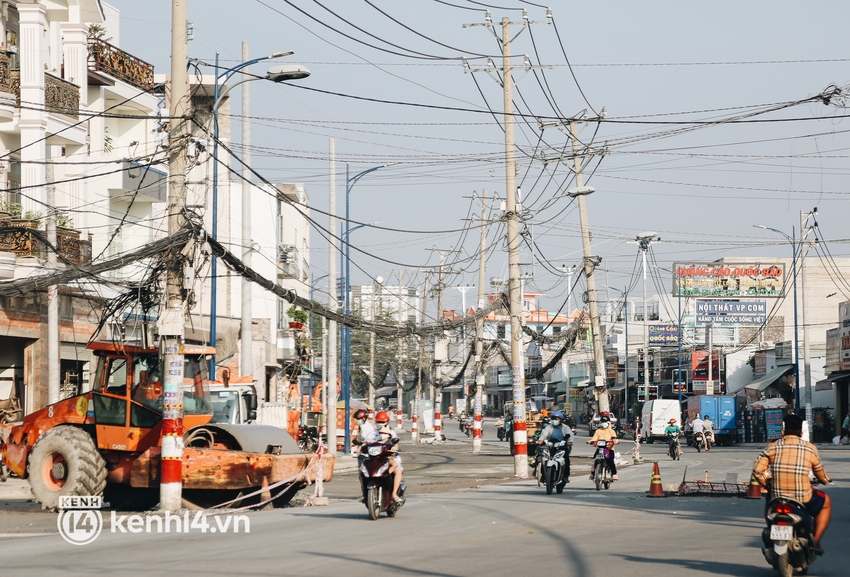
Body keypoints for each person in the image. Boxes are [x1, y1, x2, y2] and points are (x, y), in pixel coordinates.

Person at [753, 413, 832, 555]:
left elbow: (757, 471)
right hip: (803, 498)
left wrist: (767, 484)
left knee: (768, 501)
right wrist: (825, 480)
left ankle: (771, 529)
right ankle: (816, 540)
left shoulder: (771, 447)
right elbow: (819, 471)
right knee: (826, 503)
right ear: (801, 433)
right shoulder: (810, 448)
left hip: (777, 497)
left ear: (783, 431)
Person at [371, 410, 404, 502]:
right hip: (376, 458)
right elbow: (366, 442)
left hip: (390, 457)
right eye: (378, 422)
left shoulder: (392, 433)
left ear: (387, 422)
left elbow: (396, 445)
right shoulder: (373, 433)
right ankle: (364, 494)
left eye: (382, 422)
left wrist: (394, 448)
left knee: (398, 470)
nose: (380, 424)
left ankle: (394, 494)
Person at [536, 411, 573, 481]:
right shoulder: (549, 427)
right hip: (551, 447)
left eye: (557, 419)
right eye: (553, 419)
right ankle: (544, 475)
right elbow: (544, 434)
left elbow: (570, 435)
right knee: (543, 459)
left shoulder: (565, 427)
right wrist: (541, 440)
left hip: (562, 447)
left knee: (566, 461)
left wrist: (569, 442)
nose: (555, 421)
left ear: (561, 420)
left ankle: (565, 476)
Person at [587, 415, 619, 480]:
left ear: (609, 423)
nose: (604, 423)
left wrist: (614, 442)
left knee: (610, 460)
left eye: (606, 422)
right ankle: (592, 474)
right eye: (603, 422)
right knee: (594, 460)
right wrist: (591, 441)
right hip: (600, 448)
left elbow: (614, 439)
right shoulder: (598, 431)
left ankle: (614, 474)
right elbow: (594, 438)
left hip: (609, 449)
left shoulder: (611, 431)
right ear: (600, 423)